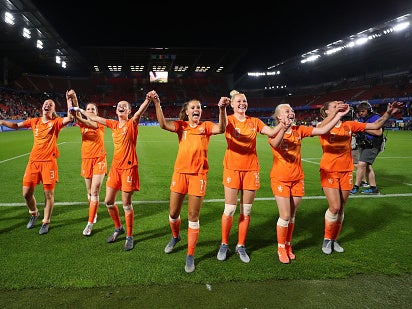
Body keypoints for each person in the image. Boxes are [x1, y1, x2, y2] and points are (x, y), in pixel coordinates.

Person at [151, 92, 229, 273]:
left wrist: (222, 109)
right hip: (180, 174)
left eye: (199, 108)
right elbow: (163, 124)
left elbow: (222, 128)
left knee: (193, 216)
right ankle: (176, 236)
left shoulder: (206, 126)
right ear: (186, 112)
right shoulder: (181, 126)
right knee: (173, 213)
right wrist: (157, 103)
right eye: (193, 107)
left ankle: (190, 254)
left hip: (198, 176)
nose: (196, 110)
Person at [268, 102, 350, 264]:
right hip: (280, 178)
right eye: (286, 111)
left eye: (291, 110)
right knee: (284, 215)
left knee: (292, 216)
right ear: (279, 116)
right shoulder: (274, 132)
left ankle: (288, 245)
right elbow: (275, 144)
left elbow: (323, 130)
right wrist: (283, 128)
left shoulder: (299, 130)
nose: (290, 112)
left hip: (297, 178)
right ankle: (280, 248)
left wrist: (338, 115)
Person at [318, 101, 403, 255]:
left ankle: (334, 239)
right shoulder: (322, 126)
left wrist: (389, 112)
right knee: (335, 207)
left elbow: (376, 126)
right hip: (329, 171)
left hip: (346, 171)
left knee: (342, 208)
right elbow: (320, 128)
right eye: (334, 105)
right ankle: (326, 238)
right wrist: (336, 113)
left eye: (339, 104)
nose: (339, 105)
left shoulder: (349, 125)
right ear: (326, 111)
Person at [72, 91, 153, 251]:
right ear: (116, 111)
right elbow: (95, 118)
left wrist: (147, 100)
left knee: (126, 204)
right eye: (119, 106)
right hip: (116, 168)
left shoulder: (131, 123)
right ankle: (118, 227)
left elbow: (139, 113)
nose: (121, 107)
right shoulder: (114, 125)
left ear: (128, 111)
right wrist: (80, 110)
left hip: (129, 168)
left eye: (125, 106)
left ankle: (129, 236)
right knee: (108, 201)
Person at [216, 90, 291, 263]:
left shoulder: (254, 121)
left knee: (246, 211)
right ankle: (224, 243)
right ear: (233, 105)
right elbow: (220, 126)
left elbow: (272, 133)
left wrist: (283, 125)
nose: (242, 103)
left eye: (245, 101)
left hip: (251, 170)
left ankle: (241, 245)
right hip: (232, 169)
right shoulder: (229, 120)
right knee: (229, 209)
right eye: (239, 101)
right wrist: (221, 109)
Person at [0, 97, 73, 234]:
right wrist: (2, 121)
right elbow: (16, 126)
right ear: (42, 107)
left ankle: (46, 222)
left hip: (49, 164)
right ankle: (34, 213)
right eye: (46, 103)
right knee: (26, 193)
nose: (47, 105)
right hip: (33, 162)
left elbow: (69, 118)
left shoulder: (56, 123)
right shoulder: (34, 121)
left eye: (50, 104)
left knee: (48, 194)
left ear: (53, 109)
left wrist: (69, 101)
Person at [68, 90, 107, 236]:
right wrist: (74, 98)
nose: (90, 111)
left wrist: (80, 112)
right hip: (86, 160)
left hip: (99, 159)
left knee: (95, 190)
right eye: (89, 108)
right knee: (89, 192)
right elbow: (78, 116)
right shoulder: (82, 124)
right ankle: (93, 210)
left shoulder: (99, 123)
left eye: (93, 109)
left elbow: (83, 118)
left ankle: (90, 223)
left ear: (96, 112)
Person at [351, 101, 385, 195]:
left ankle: (356, 187)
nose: (360, 113)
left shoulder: (375, 117)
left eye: (363, 111)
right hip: (364, 144)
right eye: (359, 111)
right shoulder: (362, 118)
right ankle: (373, 188)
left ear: (368, 110)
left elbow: (379, 132)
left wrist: (361, 128)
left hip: (372, 145)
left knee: (361, 164)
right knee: (367, 167)